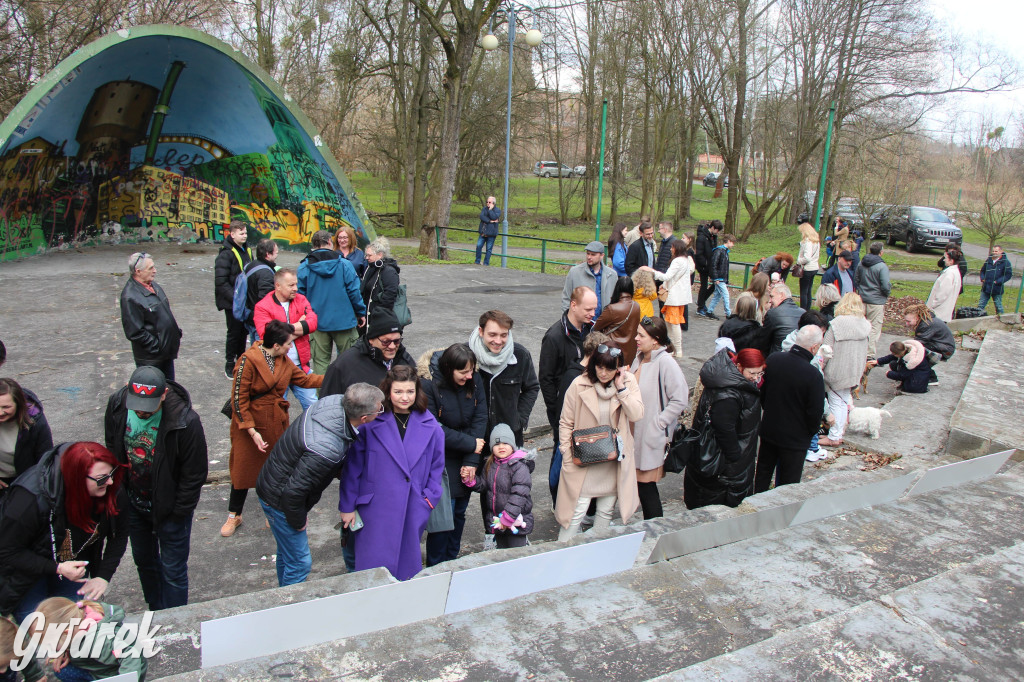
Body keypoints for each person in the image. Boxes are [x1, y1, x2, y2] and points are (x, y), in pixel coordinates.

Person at [256, 383, 384, 586]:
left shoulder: (332, 402)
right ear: (363, 418)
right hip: (279, 499)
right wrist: (298, 522)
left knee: (287, 553)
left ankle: (280, 592)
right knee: (299, 563)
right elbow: (293, 493)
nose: (380, 412)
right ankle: (288, 607)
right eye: (379, 410)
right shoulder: (327, 449)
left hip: (272, 479)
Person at [103, 366, 207, 611]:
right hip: (134, 503)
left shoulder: (185, 421)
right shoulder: (118, 405)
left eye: (148, 405)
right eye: (137, 403)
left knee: (173, 570)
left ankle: (174, 619)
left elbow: (194, 474)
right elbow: (111, 445)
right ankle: (156, 609)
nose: (140, 410)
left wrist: (178, 512)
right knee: (144, 562)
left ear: (163, 395)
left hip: (170, 510)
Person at [0, 442, 128, 622]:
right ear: (75, 478)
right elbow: (7, 550)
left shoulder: (109, 489)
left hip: (70, 563)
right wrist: (58, 568)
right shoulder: (28, 501)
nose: (110, 482)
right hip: (27, 572)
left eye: (112, 473)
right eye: (101, 478)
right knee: (38, 628)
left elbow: (120, 534)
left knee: (72, 621)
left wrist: (102, 577)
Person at [339, 366, 445, 581]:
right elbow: (353, 468)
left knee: (406, 572)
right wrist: (347, 506)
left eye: (410, 391)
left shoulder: (431, 425)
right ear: (388, 392)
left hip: (413, 506)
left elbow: (437, 467)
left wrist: (428, 499)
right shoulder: (370, 423)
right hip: (374, 509)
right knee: (372, 573)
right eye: (398, 392)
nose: (404, 397)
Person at [221, 320, 324, 537]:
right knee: (242, 470)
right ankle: (234, 515)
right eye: (288, 344)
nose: (291, 348)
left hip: (275, 423)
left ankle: (272, 513)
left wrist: (333, 377)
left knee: (274, 471)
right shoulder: (249, 360)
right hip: (248, 424)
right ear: (276, 345)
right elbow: (238, 399)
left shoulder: (283, 360)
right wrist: (251, 430)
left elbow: (305, 380)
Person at [556, 344, 643, 540]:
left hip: (613, 459)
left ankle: (596, 557)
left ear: (619, 369)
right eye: (600, 367)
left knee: (605, 512)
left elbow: (637, 414)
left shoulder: (627, 383)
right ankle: (561, 556)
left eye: (610, 368)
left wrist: (621, 389)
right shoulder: (579, 384)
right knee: (575, 513)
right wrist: (567, 454)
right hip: (584, 458)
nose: (603, 373)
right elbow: (565, 422)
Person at [421, 344, 488, 566]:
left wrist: (471, 460)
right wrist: (470, 443)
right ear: (449, 369)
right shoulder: (428, 384)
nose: (469, 377)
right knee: (442, 518)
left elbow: (480, 417)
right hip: (440, 457)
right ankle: (437, 565)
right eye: (463, 372)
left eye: (472, 371)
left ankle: (452, 559)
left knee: (459, 512)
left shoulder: (473, 379)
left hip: (467, 455)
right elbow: (432, 427)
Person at [684, 348, 764, 509]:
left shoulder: (729, 383)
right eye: (752, 373)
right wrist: (736, 456)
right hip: (724, 467)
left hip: (727, 460)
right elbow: (724, 429)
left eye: (760, 373)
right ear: (739, 366)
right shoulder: (729, 394)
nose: (756, 378)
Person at [754, 325, 826, 492]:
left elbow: (763, 393)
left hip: (770, 430)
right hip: (795, 439)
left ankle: (754, 505)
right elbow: (815, 412)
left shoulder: (774, 360)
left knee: (762, 475)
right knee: (788, 484)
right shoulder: (813, 375)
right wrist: (810, 432)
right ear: (814, 347)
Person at [540, 288, 597, 496]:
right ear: (573, 305)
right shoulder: (554, 336)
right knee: (561, 454)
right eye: (588, 309)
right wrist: (555, 410)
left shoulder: (590, 331)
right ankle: (558, 499)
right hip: (563, 410)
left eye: (594, 309)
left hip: (587, 408)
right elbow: (545, 379)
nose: (593, 314)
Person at [630, 318, 687, 519]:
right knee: (639, 486)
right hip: (634, 435)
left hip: (649, 436)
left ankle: (654, 530)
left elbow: (680, 399)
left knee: (646, 487)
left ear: (655, 340)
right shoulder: (639, 358)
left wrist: (659, 422)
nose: (636, 338)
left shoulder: (665, 363)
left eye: (641, 335)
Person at [25, 597, 146, 681]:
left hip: (115, 672)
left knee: (63, 672)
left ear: (66, 633)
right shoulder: (81, 616)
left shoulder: (96, 642)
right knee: (62, 669)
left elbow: (130, 655)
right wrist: (64, 650)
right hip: (105, 665)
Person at [298, 230, 367, 376]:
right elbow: (354, 292)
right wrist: (361, 312)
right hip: (344, 320)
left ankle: (322, 396)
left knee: (320, 363)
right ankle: (348, 395)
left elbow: (300, 296)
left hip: (317, 322)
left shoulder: (304, 267)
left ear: (313, 244)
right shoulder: (344, 265)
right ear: (330, 242)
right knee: (350, 360)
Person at [468, 310, 540, 448]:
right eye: (492, 335)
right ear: (481, 332)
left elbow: (532, 387)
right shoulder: (466, 355)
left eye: (504, 335)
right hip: (475, 437)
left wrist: (519, 419)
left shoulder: (520, 355)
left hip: (509, 437)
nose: (498, 341)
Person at [254, 267, 319, 411]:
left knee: (314, 408)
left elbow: (313, 323)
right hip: (276, 369)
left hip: (301, 367)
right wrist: (299, 327)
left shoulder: (301, 300)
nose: (295, 288)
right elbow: (268, 337)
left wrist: (283, 330)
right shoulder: (262, 307)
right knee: (277, 411)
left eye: (296, 284)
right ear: (278, 286)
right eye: (291, 285)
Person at [462, 423, 534, 548]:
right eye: (496, 444)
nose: (501, 447)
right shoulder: (490, 464)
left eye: (505, 443)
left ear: (512, 445)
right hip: (498, 521)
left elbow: (519, 495)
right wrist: (471, 480)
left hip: (516, 521)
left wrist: (508, 517)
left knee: (517, 555)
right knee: (502, 554)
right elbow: (485, 486)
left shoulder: (519, 467)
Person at [320, 308, 415, 398]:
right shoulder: (345, 364)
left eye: (397, 341)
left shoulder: (405, 359)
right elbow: (327, 404)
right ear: (371, 340)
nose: (392, 346)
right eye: (386, 342)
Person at [819, 293, 871, 447]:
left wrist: (820, 366)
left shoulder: (836, 324)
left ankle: (834, 436)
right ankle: (838, 432)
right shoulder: (865, 326)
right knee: (843, 401)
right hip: (853, 370)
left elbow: (826, 350)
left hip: (836, 370)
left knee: (836, 402)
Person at [119, 252, 182, 380]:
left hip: (165, 353)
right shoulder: (130, 297)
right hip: (152, 359)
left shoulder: (152, 286)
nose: (155, 271)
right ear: (138, 271)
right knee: (156, 393)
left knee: (169, 390)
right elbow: (134, 332)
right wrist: (157, 346)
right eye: (150, 268)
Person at [0, 378, 52, 495]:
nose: (0, 412)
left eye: (6, 407)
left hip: (26, 483)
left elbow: (45, 459)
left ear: (18, 404)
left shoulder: (35, 422)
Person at [213, 220, 252, 378]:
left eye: (245, 233)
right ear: (232, 234)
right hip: (232, 302)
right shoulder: (225, 254)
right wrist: (236, 300)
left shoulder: (247, 250)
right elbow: (221, 282)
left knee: (243, 332)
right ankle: (229, 363)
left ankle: (240, 359)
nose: (244, 236)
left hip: (243, 301)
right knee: (234, 333)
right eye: (241, 233)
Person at [644, 239, 695, 357]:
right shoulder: (686, 260)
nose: (671, 249)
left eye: (672, 247)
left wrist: (652, 271)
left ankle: (676, 348)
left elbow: (667, 276)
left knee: (673, 323)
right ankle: (674, 348)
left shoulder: (677, 261)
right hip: (680, 295)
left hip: (675, 296)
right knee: (671, 322)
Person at [593, 277, 642, 365]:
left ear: (617, 288)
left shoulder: (612, 309)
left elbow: (596, 327)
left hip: (613, 351)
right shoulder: (636, 306)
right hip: (630, 352)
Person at [855, 242, 891, 360]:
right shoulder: (882, 266)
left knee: (860, 325)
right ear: (881, 252)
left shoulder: (861, 263)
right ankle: (869, 353)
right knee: (874, 328)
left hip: (862, 299)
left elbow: (856, 279)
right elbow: (885, 285)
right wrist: (886, 294)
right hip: (876, 301)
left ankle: (858, 349)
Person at [904, 303, 955, 385]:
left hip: (945, 349)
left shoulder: (926, 324)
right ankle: (924, 374)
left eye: (908, 321)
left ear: (917, 318)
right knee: (917, 350)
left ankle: (930, 377)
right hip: (943, 346)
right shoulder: (927, 321)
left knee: (917, 352)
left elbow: (918, 343)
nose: (907, 324)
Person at [561, 241, 616, 316]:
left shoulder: (612, 275)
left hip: (603, 322)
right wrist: (567, 319)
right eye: (588, 253)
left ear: (602, 255)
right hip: (580, 322)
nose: (589, 257)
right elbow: (566, 298)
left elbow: (615, 300)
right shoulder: (575, 272)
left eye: (593, 254)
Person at [362, 237, 401, 327]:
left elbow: (390, 295)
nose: (366, 258)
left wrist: (378, 313)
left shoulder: (389, 271)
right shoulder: (371, 268)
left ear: (380, 255)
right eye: (366, 255)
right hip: (370, 315)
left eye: (369, 255)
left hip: (380, 317)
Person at [244, 239, 279, 334]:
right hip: (259, 319)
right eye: (276, 253)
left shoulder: (251, 265)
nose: (277, 256)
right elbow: (266, 299)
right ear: (268, 254)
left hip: (250, 314)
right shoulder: (265, 273)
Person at [697, 233, 735, 320]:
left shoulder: (723, 251)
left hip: (721, 278)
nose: (733, 245)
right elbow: (713, 265)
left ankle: (710, 311)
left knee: (717, 296)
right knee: (725, 295)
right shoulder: (720, 251)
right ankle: (728, 313)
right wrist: (716, 277)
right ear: (729, 241)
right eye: (732, 243)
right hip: (719, 278)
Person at [762, 284, 804, 356]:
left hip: (777, 356)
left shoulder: (773, 313)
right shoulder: (803, 313)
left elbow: (764, 341)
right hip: (798, 357)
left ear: (781, 295)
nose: (771, 300)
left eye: (772, 296)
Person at [926, 248, 963, 323]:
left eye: (946, 258)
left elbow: (942, 294)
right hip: (944, 312)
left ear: (951, 261)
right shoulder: (956, 272)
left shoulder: (949, 274)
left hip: (938, 313)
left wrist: (932, 305)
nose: (944, 260)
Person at [977, 245, 1013, 315]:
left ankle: (1002, 320)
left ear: (1001, 251)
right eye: (993, 251)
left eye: (996, 251)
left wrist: (998, 281)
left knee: (998, 306)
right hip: (986, 287)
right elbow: (982, 270)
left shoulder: (1005, 262)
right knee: (980, 305)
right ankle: (977, 318)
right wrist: (983, 278)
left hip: (997, 288)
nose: (994, 253)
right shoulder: (988, 260)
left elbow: (1008, 275)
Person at [694, 220, 721, 313]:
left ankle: (701, 301)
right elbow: (699, 253)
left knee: (716, 283)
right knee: (704, 285)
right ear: (713, 228)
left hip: (710, 265)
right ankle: (701, 306)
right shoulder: (702, 238)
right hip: (703, 266)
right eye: (717, 230)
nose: (718, 233)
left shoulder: (713, 237)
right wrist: (704, 264)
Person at [796, 222, 821, 310]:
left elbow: (807, 257)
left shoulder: (807, 242)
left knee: (803, 291)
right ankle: (807, 308)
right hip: (814, 267)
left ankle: (803, 309)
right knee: (808, 290)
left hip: (807, 268)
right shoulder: (816, 241)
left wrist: (799, 261)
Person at [475, 196, 502, 265]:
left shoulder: (497, 210)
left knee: (489, 249)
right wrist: (490, 221)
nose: (487, 203)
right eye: (487, 202)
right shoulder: (484, 209)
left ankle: (486, 263)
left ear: (493, 203)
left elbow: (494, 217)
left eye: (489, 202)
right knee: (478, 246)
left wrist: (490, 210)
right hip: (483, 232)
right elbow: (482, 217)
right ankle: (477, 261)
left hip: (491, 233)